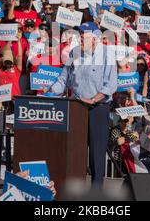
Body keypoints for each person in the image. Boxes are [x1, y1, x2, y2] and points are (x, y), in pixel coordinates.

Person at [48, 22, 118, 186]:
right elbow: (63, 79)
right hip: (76, 107)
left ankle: (96, 191)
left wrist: (94, 99)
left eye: (83, 36)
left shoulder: (107, 54)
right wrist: (50, 91)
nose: (79, 39)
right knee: (74, 149)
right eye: (79, 35)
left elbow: (111, 85)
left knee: (96, 152)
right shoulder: (75, 53)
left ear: (95, 39)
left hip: (97, 108)